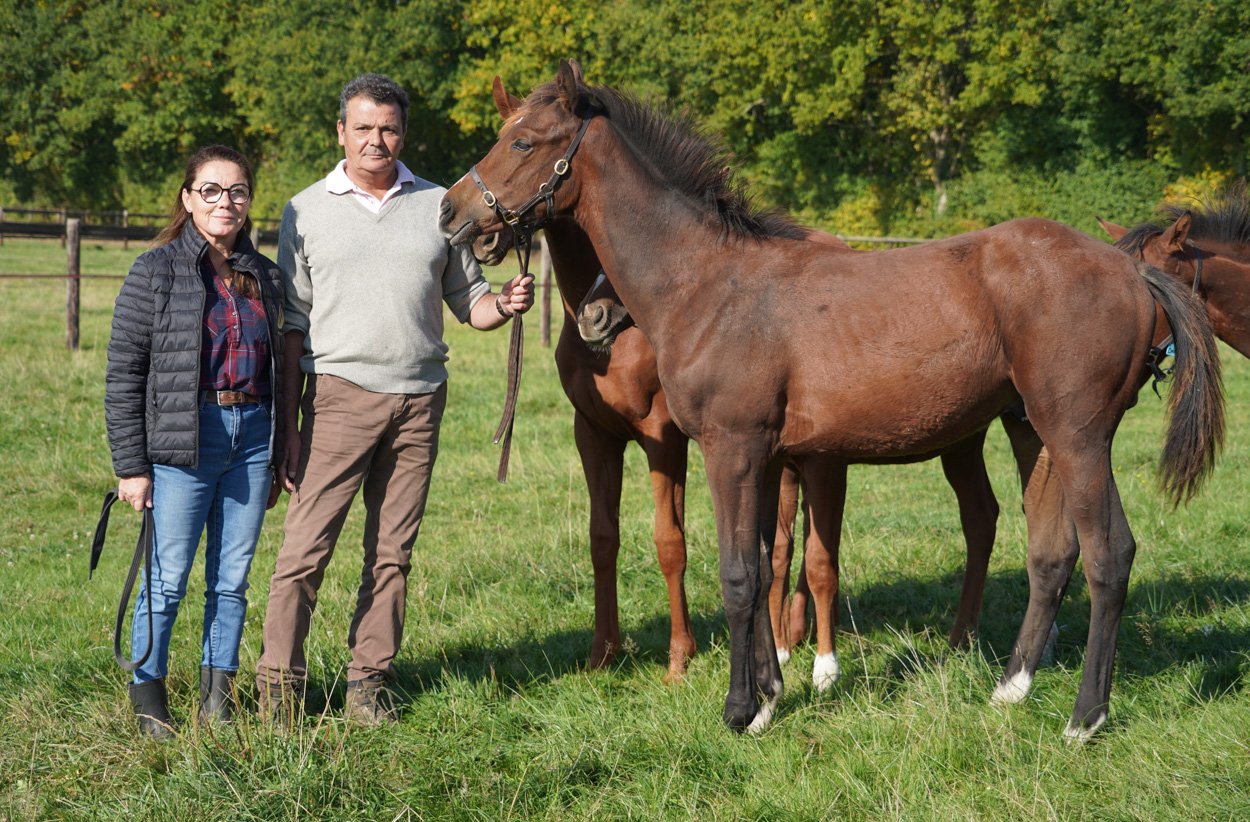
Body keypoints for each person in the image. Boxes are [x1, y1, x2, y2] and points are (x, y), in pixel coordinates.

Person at [254, 73, 533, 726]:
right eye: (363, 128)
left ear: (403, 134)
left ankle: (368, 684)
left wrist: (504, 304)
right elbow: (292, 325)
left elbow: (470, 302)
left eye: (387, 128)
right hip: (337, 400)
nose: (375, 140)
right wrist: (290, 424)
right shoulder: (305, 209)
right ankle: (279, 690)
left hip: (419, 403)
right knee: (304, 553)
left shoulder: (438, 203)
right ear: (341, 133)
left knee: (392, 555)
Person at [105, 145, 287, 738]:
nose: (224, 201)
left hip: (252, 437)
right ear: (187, 199)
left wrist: (280, 448)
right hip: (185, 438)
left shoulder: (266, 275)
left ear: (248, 201)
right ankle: (149, 698)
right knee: (167, 578)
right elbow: (124, 372)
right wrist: (132, 466)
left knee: (231, 580)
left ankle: (218, 697)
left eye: (237, 191)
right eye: (210, 190)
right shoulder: (154, 271)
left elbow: (282, 370)